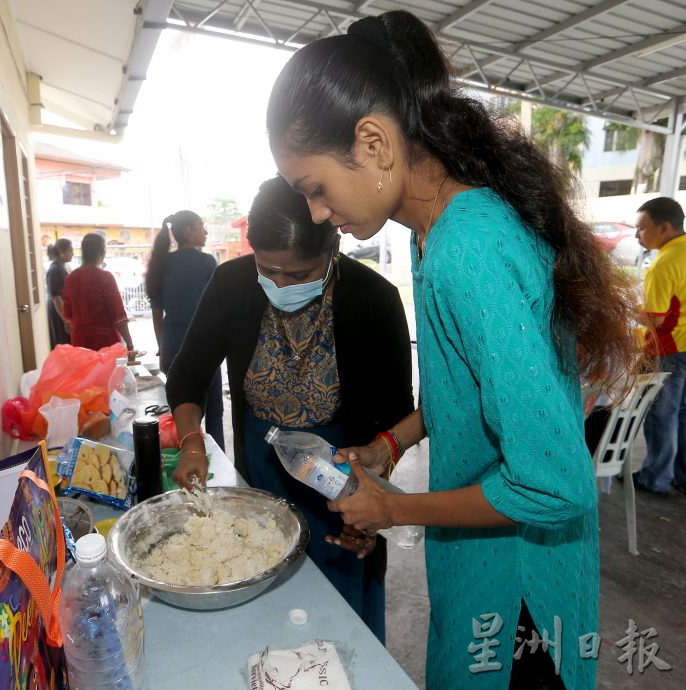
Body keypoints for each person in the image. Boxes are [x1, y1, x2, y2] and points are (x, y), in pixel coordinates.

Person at [266, 11, 641, 689]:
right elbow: (464, 395)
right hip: (482, 567)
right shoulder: (430, 231)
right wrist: (391, 445)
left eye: (314, 188)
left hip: (522, 598)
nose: (317, 214)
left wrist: (393, 508)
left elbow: (554, 481)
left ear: (374, 142)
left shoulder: (467, 249)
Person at [166, 176, 413, 641]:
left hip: (340, 474)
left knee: (333, 623)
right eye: (267, 269)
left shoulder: (373, 300)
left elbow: (395, 418)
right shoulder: (233, 283)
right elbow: (188, 374)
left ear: (333, 245)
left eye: (298, 275)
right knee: (262, 599)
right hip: (262, 470)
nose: (278, 284)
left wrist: (374, 499)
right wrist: (192, 443)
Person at [145, 211, 224, 450]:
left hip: (171, 343)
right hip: (204, 343)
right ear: (189, 230)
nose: (205, 232)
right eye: (201, 227)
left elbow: (157, 313)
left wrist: (162, 349)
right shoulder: (207, 262)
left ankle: (187, 457)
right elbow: (218, 309)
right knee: (213, 411)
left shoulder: (162, 263)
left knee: (183, 408)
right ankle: (216, 461)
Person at [632, 197, 686, 495]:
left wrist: (629, 308)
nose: (637, 236)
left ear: (664, 228)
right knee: (683, 413)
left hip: (667, 349)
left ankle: (655, 478)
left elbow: (656, 319)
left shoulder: (664, 262)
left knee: (661, 413)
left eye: (641, 229)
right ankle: (682, 476)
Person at [63, 233, 135, 353]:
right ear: (102, 252)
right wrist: (130, 344)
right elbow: (119, 316)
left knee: (87, 371)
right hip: (105, 342)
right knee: (108, 372)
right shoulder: (105, 278)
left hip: (80, 341)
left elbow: (68, 318)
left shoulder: (69, 279)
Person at [46, 238, 73, 348]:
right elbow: (56, 297)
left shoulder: (61, 267)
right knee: (63, 343)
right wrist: (65, 320)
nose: (72, 254)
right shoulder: (55, 270)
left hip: (62, 311)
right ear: (62, 252)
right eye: (70, 251)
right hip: (59, 313)